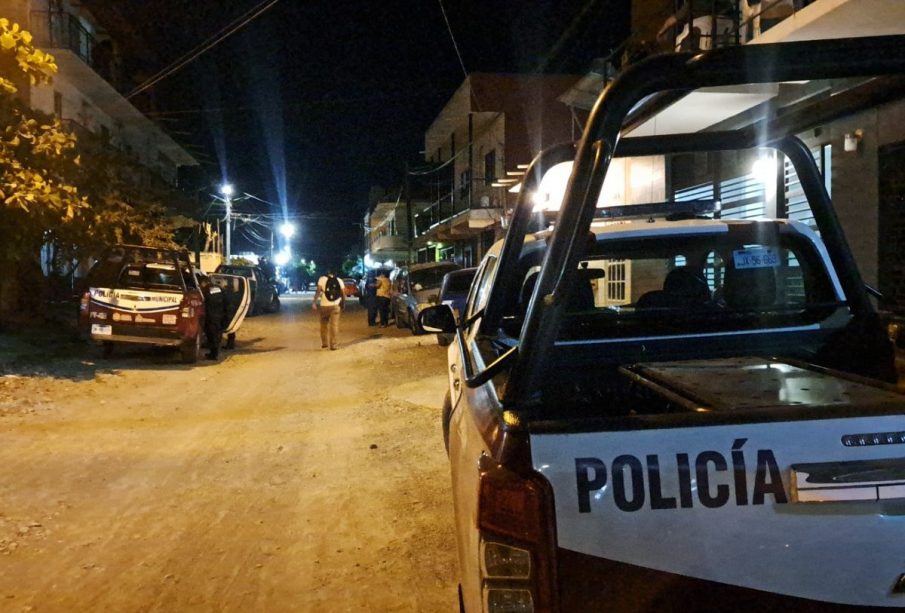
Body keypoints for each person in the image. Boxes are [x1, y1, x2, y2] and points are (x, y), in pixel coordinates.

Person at [313, 268, 345, 350]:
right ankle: (333, 345)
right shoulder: (339, 280)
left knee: (323, 324)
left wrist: (314, 302)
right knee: (334, 325)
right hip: (335, 305)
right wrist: (343, 303)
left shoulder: (322, 279)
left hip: (324, 305)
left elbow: (318, 291)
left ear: (327, 272)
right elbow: (343, 294)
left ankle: (324, 343)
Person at [200, 275, 226, 360]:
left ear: (204, 282)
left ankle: (213, 355)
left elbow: (204, 302)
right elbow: (226, 301)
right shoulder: (219, 289)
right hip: (219, 315)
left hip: (210, 316)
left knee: (211, 335)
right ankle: (214, 353)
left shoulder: (205, 290)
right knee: (217, 335)